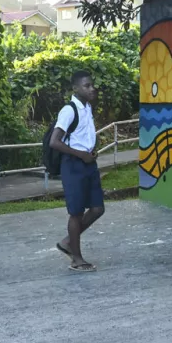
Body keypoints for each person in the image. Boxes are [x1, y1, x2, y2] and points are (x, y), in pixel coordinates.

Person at [50, 70, 103, 272]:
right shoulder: (69, 110)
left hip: (88, 162)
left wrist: (89, 151)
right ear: (75, 88)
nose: (92, 89)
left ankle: (68, 242)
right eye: (86, 86)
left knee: (98, 208)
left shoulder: (87, 107)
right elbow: (55, 142)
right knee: (76, 213)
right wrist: (81, 155)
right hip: (73, 165)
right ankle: (77, 259)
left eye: (92, 85)